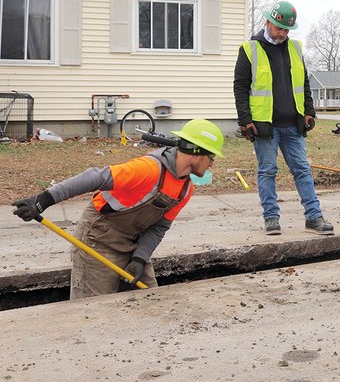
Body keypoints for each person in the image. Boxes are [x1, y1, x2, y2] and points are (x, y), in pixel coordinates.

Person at [11, 119, 225, 300]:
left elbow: (159, 227)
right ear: (196, 153)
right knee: (93, 309)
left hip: (133, 243)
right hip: (98, 240)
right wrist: (43, 200)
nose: (212, 164)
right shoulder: (148, 169)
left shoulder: (184, 190)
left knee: (151, 301)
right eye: (212, 157)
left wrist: (140, 259)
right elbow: (95, 177)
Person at [233, 0, 334, 236]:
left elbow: (304, 83)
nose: (283, 34)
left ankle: (314, 217)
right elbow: (240, 87)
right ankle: (271, 218)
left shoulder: (295, 48)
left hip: (293, 124)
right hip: (265, 126)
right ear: (267, 22)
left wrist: (309, 111)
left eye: (286, 29)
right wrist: (245, 120)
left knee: (303, 170)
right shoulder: (250, 50)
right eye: (279, 28)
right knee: (267, 171)